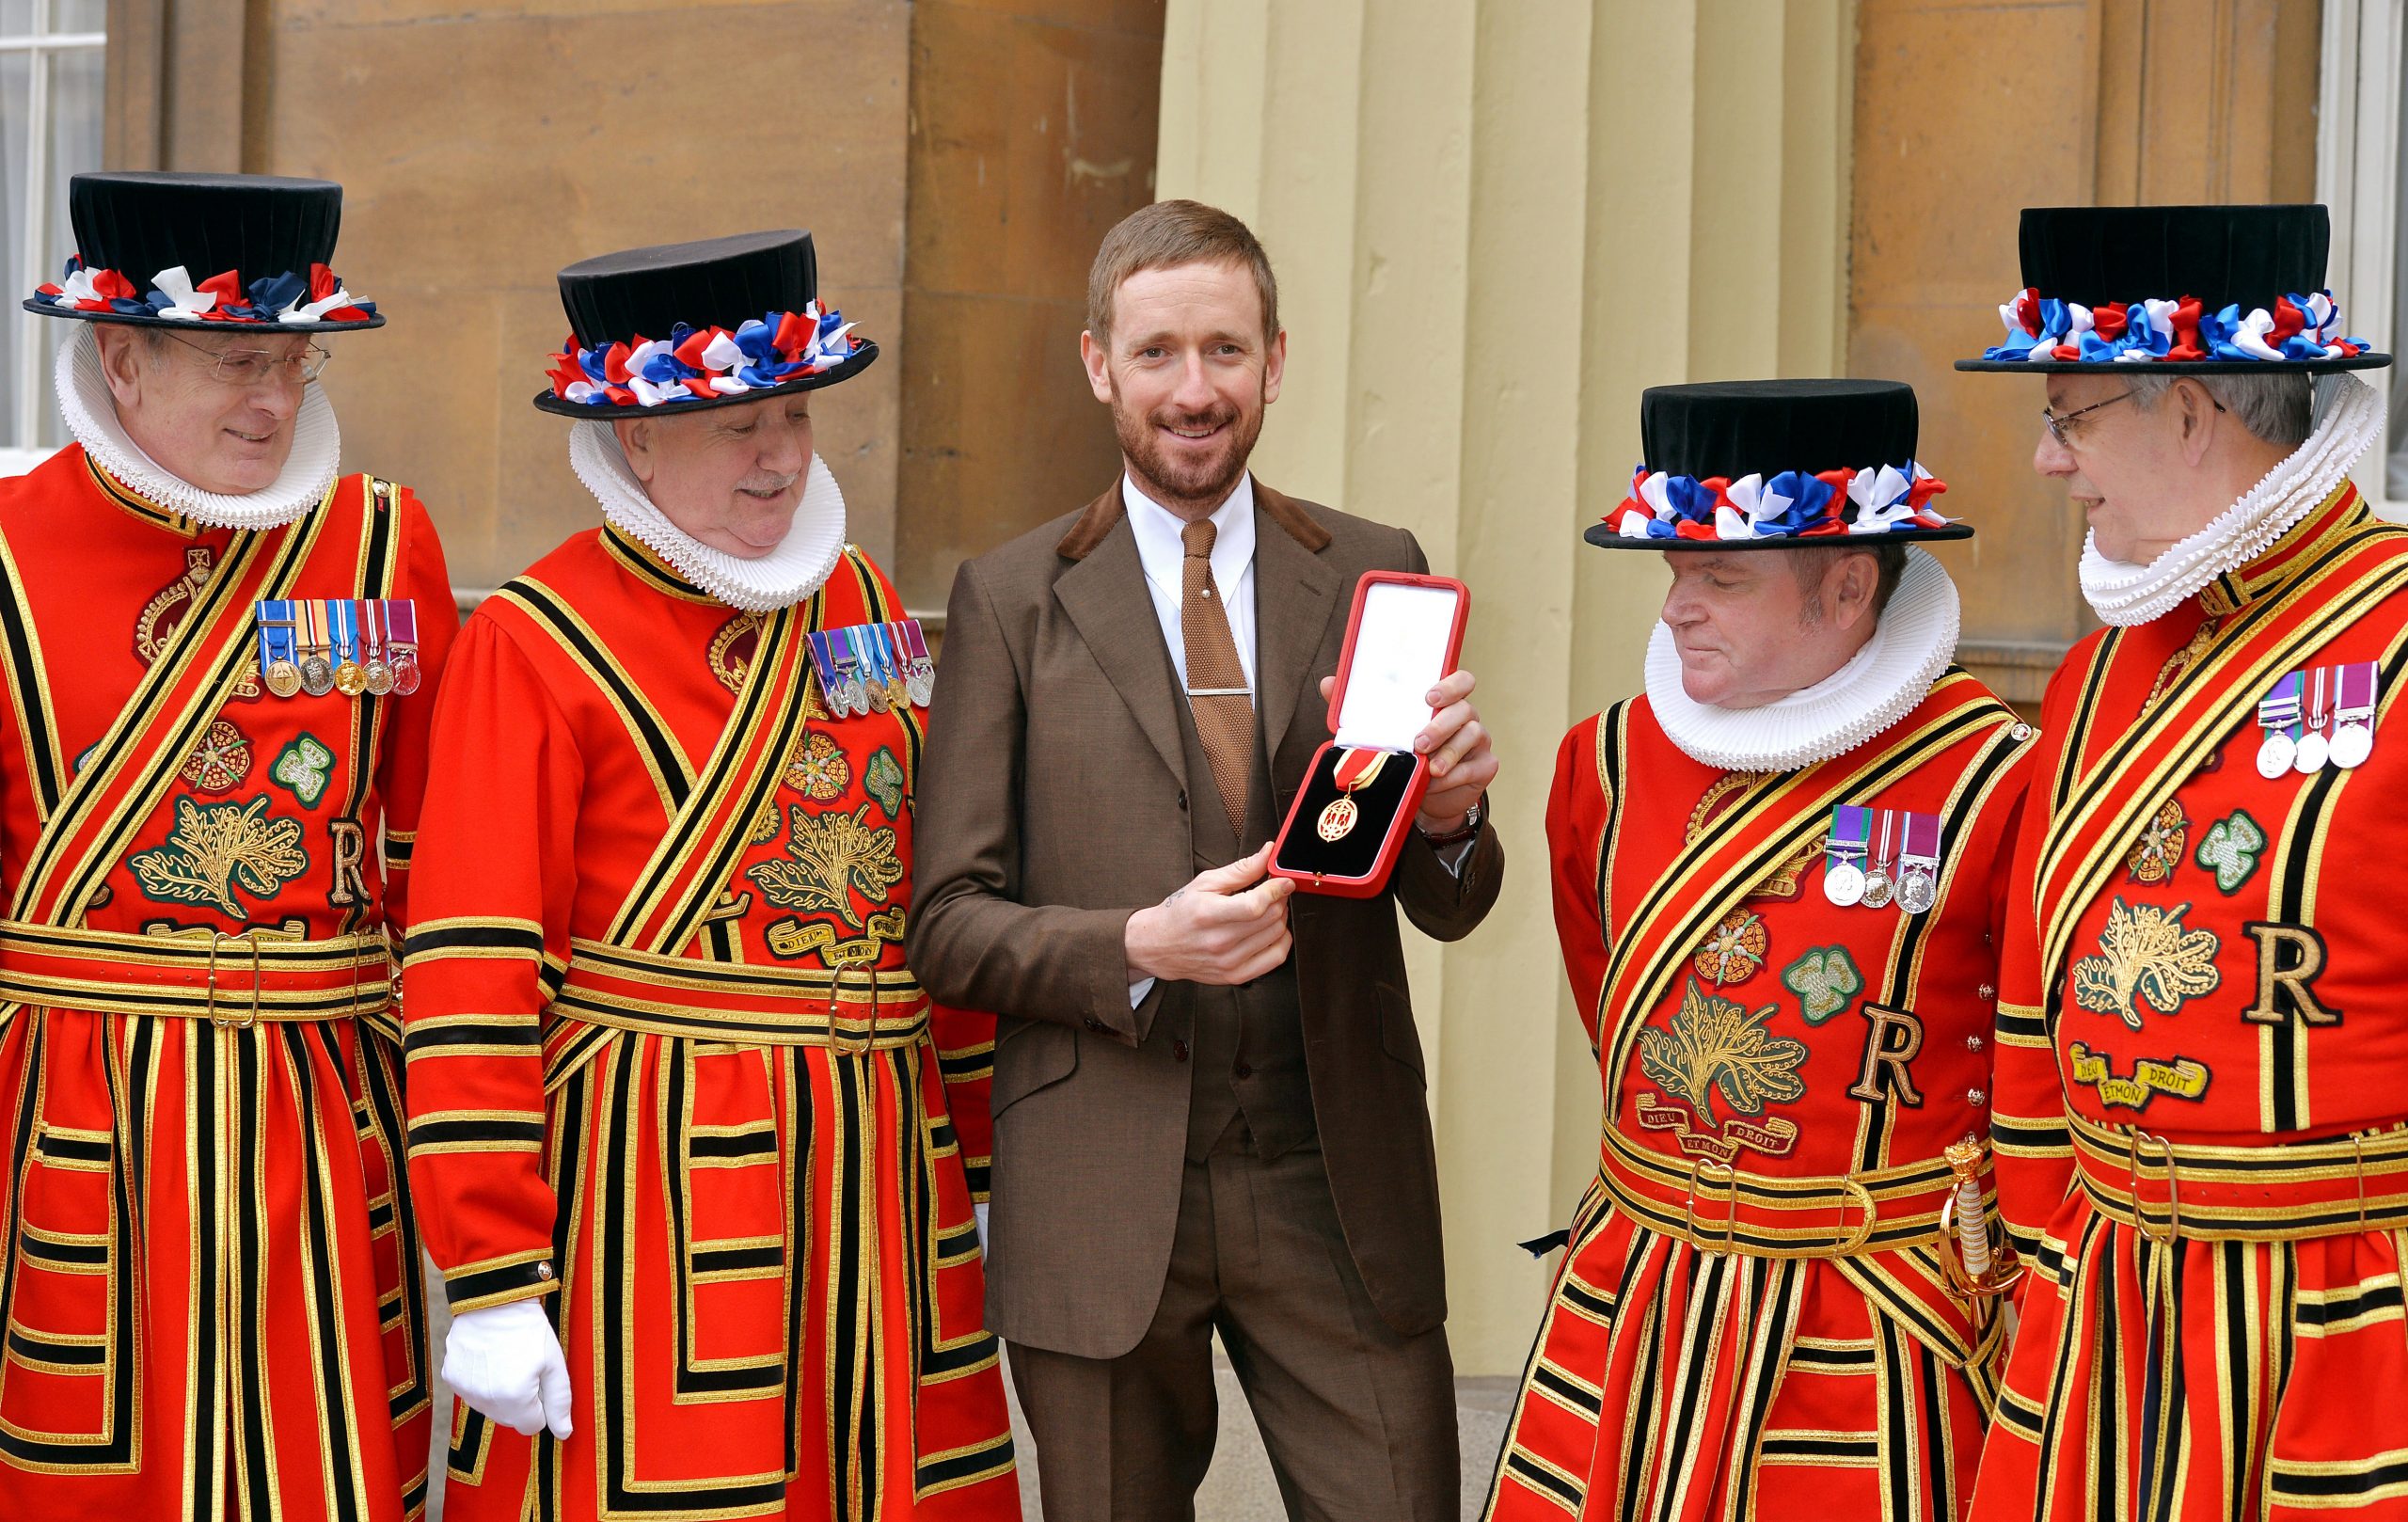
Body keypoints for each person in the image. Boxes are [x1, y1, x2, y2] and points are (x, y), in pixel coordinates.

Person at [401, 230, 1018, 1521]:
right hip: (653, 1187)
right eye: (738, 422)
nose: (782, 452)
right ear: (634, 441)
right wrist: (497, 1270)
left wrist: (990, 1168)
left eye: (792, 412)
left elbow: (937, 896)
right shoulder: (534, 636)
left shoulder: (861, 601)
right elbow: (469, 973)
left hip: (883, 1180)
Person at [907, 198, 1503, 1522]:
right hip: (1102, 1179)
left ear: (1275, 362)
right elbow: (945, 923)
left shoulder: (1373, 569)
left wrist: (1452, 820)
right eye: (1160, 351)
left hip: (1335, 1175)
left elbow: (1448, 902)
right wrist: (1132, 945)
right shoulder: (1009, 597)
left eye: (1225, 352)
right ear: (1097, 363)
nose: (1195, 390)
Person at [1481, 379, 2033, 1522]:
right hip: (1635, 1299)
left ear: (1846, 582)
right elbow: (1612, 1007)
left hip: (1873, 1332)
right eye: (1673, 574)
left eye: (1720, 578)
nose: (1677, 609)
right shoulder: (1605, 762)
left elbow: (2032, 1082)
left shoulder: (1999, 780)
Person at [0, 171, 452, 1520]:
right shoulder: (7, 550)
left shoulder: (384, 541)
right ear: (120, 357)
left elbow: (440, 872)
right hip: (72, 1127)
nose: (276, 399)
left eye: (296, 362)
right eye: (236, 360)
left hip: (321, 1127)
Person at [1959, 203, 2408, 1521]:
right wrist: (2047, 1267)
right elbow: (2036, 1010)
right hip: (2109, 1328)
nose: (2049, 463)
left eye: (2070, 416)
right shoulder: (2101, 668)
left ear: (2193, 410)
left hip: (2348, 1332)